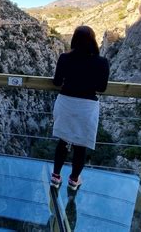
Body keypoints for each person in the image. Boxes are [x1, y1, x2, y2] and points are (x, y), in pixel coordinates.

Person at [50, 25, 109, 190]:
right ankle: (74, 180)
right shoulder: (102, 62)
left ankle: (55, 177)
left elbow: (56, 82)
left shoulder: (64, 58)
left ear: (74, 40)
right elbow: (102, 88)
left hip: (66, 103)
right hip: (87, 106)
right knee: (80, 145)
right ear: (93, 40)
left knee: (63, 141)